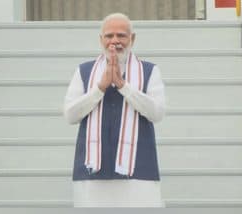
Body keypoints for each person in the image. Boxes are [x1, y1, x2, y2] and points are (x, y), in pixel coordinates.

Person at [63, 13, 166, 207]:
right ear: (101, 40)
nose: (115, 41)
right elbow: (70, 115)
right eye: (109, 36)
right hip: (92, 173)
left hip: (139, 172)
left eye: (121, 35)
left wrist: (123, 86)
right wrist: (100, 88)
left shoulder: (150, 71)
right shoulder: (84, 71)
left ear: (132, 39)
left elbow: (157, 113)